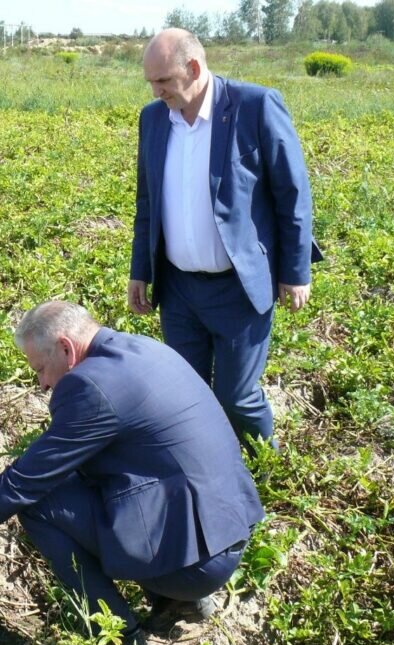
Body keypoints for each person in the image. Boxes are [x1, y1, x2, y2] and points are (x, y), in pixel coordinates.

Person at [0, 301, 265, 645]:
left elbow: (24, 482)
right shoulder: (145, 348)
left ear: (66, 349)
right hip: (230, 529)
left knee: (39, 504)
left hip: (194, 566)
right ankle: (177, 602)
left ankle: (121, 641)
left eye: (39, 369)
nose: (41, 384)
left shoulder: (90, 386)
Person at [128, 29, 322, 448]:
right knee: (187, 393)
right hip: (179, 289)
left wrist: (295, 272)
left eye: (163, 80)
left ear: (194, 68)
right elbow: (147, 200)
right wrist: (140, 271)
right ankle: (206, 476)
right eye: (151, 82)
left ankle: (261, 472)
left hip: (237, 288)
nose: (156, 90)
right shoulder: (153, 118)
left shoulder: (254, 105)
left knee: (236, 397)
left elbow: (293, 192)